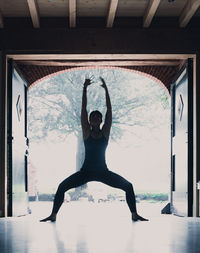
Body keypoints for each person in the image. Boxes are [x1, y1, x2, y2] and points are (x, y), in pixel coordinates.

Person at [40, 77, 148, 222]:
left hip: (103, 172)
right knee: (62, 186)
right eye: (93, 117)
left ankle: (134, 214)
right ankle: (53, 215)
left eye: (98, 117)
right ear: (90, 121)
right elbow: (83, 110)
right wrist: (84, 89)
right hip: (86, 172)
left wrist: (106, 90)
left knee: (128, 186)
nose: (95, 119)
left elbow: (110, 110)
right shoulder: (86, 133)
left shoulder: (105, 133)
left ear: (101, 120)